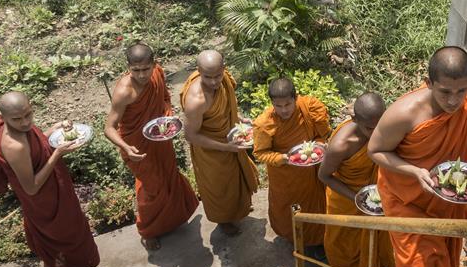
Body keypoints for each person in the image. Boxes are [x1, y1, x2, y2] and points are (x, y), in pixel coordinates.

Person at [368, 46, 467, 267]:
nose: (453, 101)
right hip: (406, 198)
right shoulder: (405, 113)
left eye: (461, 91)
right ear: (428, 83)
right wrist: (414, 171)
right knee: (416, 265)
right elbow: (375, 150)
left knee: (445, 254)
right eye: (444, 92)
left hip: (447, 197)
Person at [0, 91, 103, 267]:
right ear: (2, 117)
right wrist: (57, 154)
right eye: (17, 119)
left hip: (44, 194)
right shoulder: (15, 145)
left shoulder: (17, 129)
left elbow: (36, 144)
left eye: (28, 115)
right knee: (68, 235)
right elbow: (31, 188)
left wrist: (53, 130)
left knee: (51, 237)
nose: (24, 122)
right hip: (44, 199)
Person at [104, 42, 198, 250]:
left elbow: (165, 97)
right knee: (152, 187)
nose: (142, 75)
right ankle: (147, 230)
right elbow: (109, 127)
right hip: (136, 145)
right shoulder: (124, 91)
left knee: (169, 175)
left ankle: (172, 220)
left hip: (159, 137)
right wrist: (126, 148)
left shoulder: (158, 73)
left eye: (146, 69)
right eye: (135, 70)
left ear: (154, 64)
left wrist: (168, 113)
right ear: (128, 68)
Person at [318, 92, 395, 267]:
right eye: (370, 128)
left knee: (380, 237)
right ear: (354, 120)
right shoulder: (342, 145)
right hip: (346, 198)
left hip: (375, 195)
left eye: (380, 126)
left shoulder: (385, 129)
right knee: (340, 247)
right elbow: (324, 175)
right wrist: (358, 200)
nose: (377, 133)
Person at [180, 50, 258, 236]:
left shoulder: (224, 80)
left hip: (230, 138)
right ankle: (223, 220)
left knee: (236, 178)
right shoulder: (196, 100)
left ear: (224, 68)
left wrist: (238, 118)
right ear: (198, 71)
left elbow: (226, 107)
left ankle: (239, 208)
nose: (215, 82)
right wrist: (226, 147)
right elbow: (190, 135)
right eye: (208, 77)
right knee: (220, 188)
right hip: (211, 151)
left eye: (218, 75)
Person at [252, 78, 330, 247]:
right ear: (272, 103)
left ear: (295, 98)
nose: (284, 110)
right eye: (278, 106)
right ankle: (293, 237)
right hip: (285, 176)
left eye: (288, 104)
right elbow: (260, 153)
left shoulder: (310, 107)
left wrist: (318, 146)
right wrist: (284, 158)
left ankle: (317, 239)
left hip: (312, 170)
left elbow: (322, 135)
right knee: (288, 209)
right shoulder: (264, 124)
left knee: (316, 204)